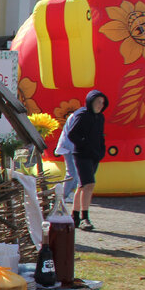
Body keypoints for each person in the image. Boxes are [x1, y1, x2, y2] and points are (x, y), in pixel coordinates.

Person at [59, 90, 108, 230]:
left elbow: (100, 136)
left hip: (94, 155)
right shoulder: (82, 115)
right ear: (90, 101)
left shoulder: (100, 117)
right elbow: (72, 134)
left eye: (102, 103)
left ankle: (74, 216)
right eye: (97, 102)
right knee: (89, 184)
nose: (100, 105)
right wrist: (84, 145)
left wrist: (101, 150)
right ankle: (85, 217)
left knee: (82, 185)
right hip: (81, 155)